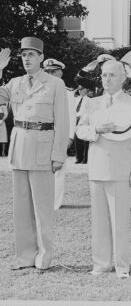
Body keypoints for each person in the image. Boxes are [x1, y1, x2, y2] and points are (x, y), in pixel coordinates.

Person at [0, 38, 69, 273]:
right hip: (19, 150)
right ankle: (25, 257)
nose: (26, 59)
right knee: (21, 209)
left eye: (31, 54)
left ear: (41, 57)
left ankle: (44, 257)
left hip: (42, 149)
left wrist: (59, 154)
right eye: (23, 55)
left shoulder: (54, 84)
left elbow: (62, 120)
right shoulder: (15, 83)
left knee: (42, 209)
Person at [76, 60, 131, 278]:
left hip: (121, 170)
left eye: (112, 75)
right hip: (97, 169)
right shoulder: (92, 102)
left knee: (120, 221)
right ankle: (101, 264)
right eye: (104, 75)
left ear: (123, 78)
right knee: (99, 221)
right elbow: (80, 131)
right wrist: (95, 129)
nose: (107, 79)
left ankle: (122, 266)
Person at [43, 58, 76, 210]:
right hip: (42, 135)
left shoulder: (67, 93)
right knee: (41, 169)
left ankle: (56, 202)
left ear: (60, 73)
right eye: (47, 71)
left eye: (53, 71)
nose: (50, 74)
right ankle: (43, 200)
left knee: (58, 169)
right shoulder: (40, 89)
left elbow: (71, 116)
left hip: (59, 135)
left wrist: (69, 136)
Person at [74, 80, 92, 164]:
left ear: (86, 89)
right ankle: (78, 158)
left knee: (85, 141)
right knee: (77, 140)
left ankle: (86, 158)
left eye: (81, 89)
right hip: (76, 121)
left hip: (85, 121)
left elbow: (88, 112)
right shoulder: (76, 99)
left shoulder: (89, 100)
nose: (79, 91)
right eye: (78, 89)